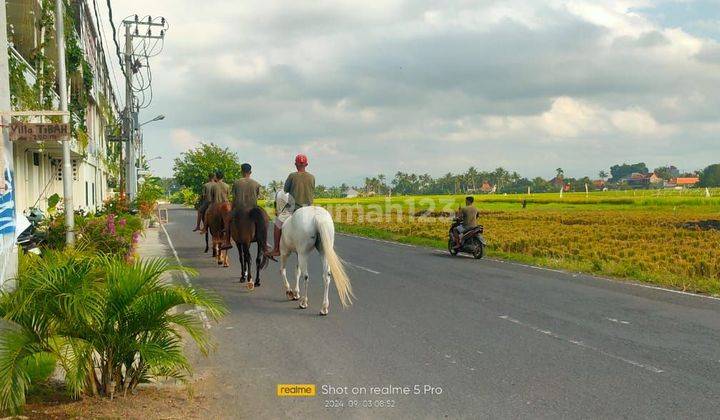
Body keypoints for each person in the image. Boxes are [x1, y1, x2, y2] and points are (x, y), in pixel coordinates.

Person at [266, 154, 315, 258]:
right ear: (306, 164)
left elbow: (285, 190)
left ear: (295, 164)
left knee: (278, 223)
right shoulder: (312, 177)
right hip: (309, 208)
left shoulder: (292, 176)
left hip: (294, 207)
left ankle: (276, 250)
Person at [221, 163, 261, 250]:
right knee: (262, 221)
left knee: (227, 219)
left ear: (241, 171)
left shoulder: (236, 183)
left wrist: (232, 209)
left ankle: (227, 241)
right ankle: (263, 241)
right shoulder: (256, 184)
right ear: (250, 172)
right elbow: (257, 197)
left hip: (239, 209)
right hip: (252, 209)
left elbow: (234, 198)